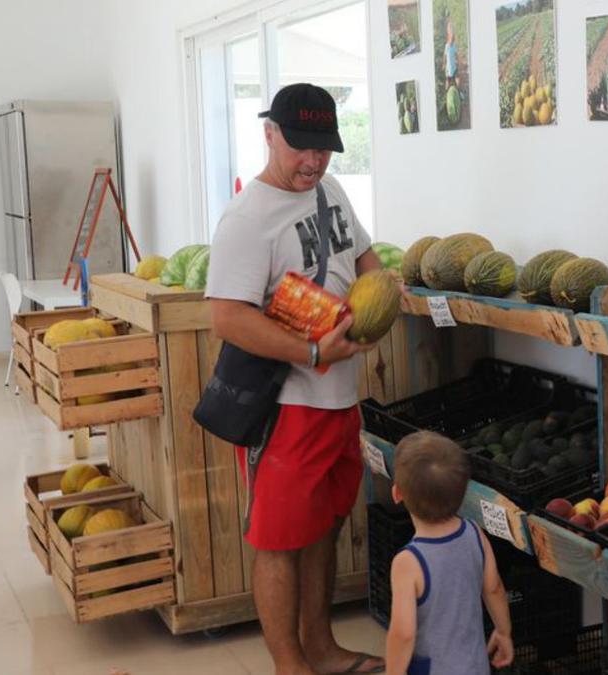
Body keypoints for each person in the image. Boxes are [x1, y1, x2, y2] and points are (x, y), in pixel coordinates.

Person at [206, 83, 385, 675]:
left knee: (324, 527)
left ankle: (323, 647)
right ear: (270, 135)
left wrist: (377, 302)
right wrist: (312, 351)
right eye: (301, 147)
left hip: (340, 401)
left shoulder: (329, 189)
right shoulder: (246, 217)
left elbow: (364, 258)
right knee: (280, 540)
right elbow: (226, 317)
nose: (313, 161)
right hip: (284, 407)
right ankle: (291, 665)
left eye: (324, 149)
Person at [385, 432, 514, 675]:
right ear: (462, 492)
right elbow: (494, 588)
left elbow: (403, 633)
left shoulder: (408, 562)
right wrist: (504, 632)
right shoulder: (474, 533)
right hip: (475, 667)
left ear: (397, 493)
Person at [444, 20, 459, 88]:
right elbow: (456, 55)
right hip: (452, 65)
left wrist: (444, 63)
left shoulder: (447, 46)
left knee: (449, 79)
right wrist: (457, 60)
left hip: (449, 66)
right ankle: (457, 89)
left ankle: (447, 90)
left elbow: (445, 56)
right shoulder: (452, 46)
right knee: (455, 76)